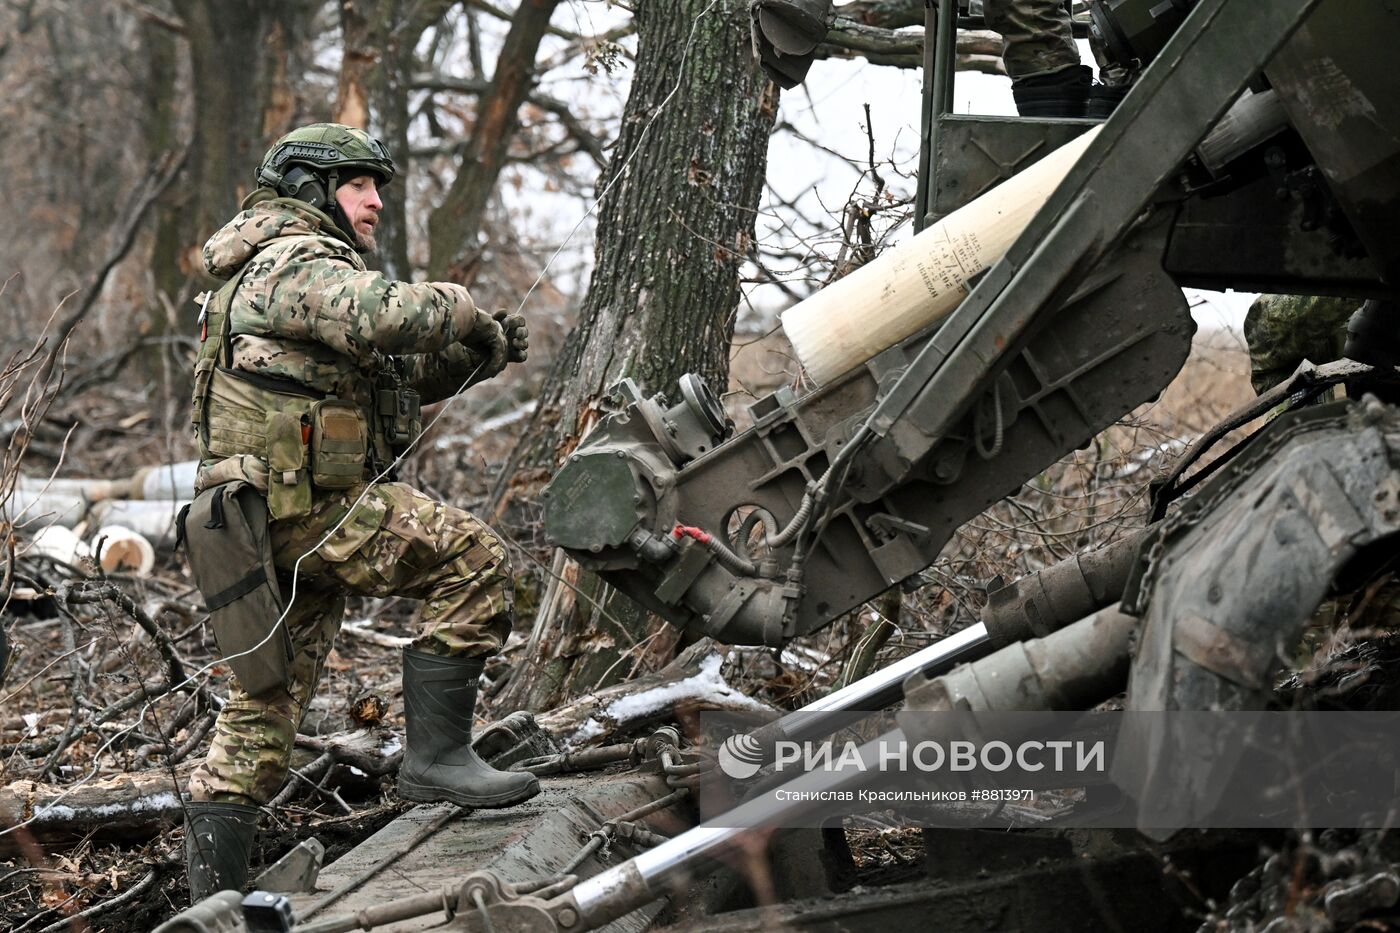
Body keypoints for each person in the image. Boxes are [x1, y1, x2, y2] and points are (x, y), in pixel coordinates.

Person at [181, 123, 537, 901]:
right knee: (474, 559)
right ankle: (437, 759)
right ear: (311, 189)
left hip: (266, 521)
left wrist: (480, 354)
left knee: (259, 720)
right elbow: (387, 316)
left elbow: (390, 381)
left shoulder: (276, 272)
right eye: (357, 185)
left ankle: (211, 907)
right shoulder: (293, 255)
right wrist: (464, 308)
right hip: (306, 509)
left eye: (376, 187)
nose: (375, 202)